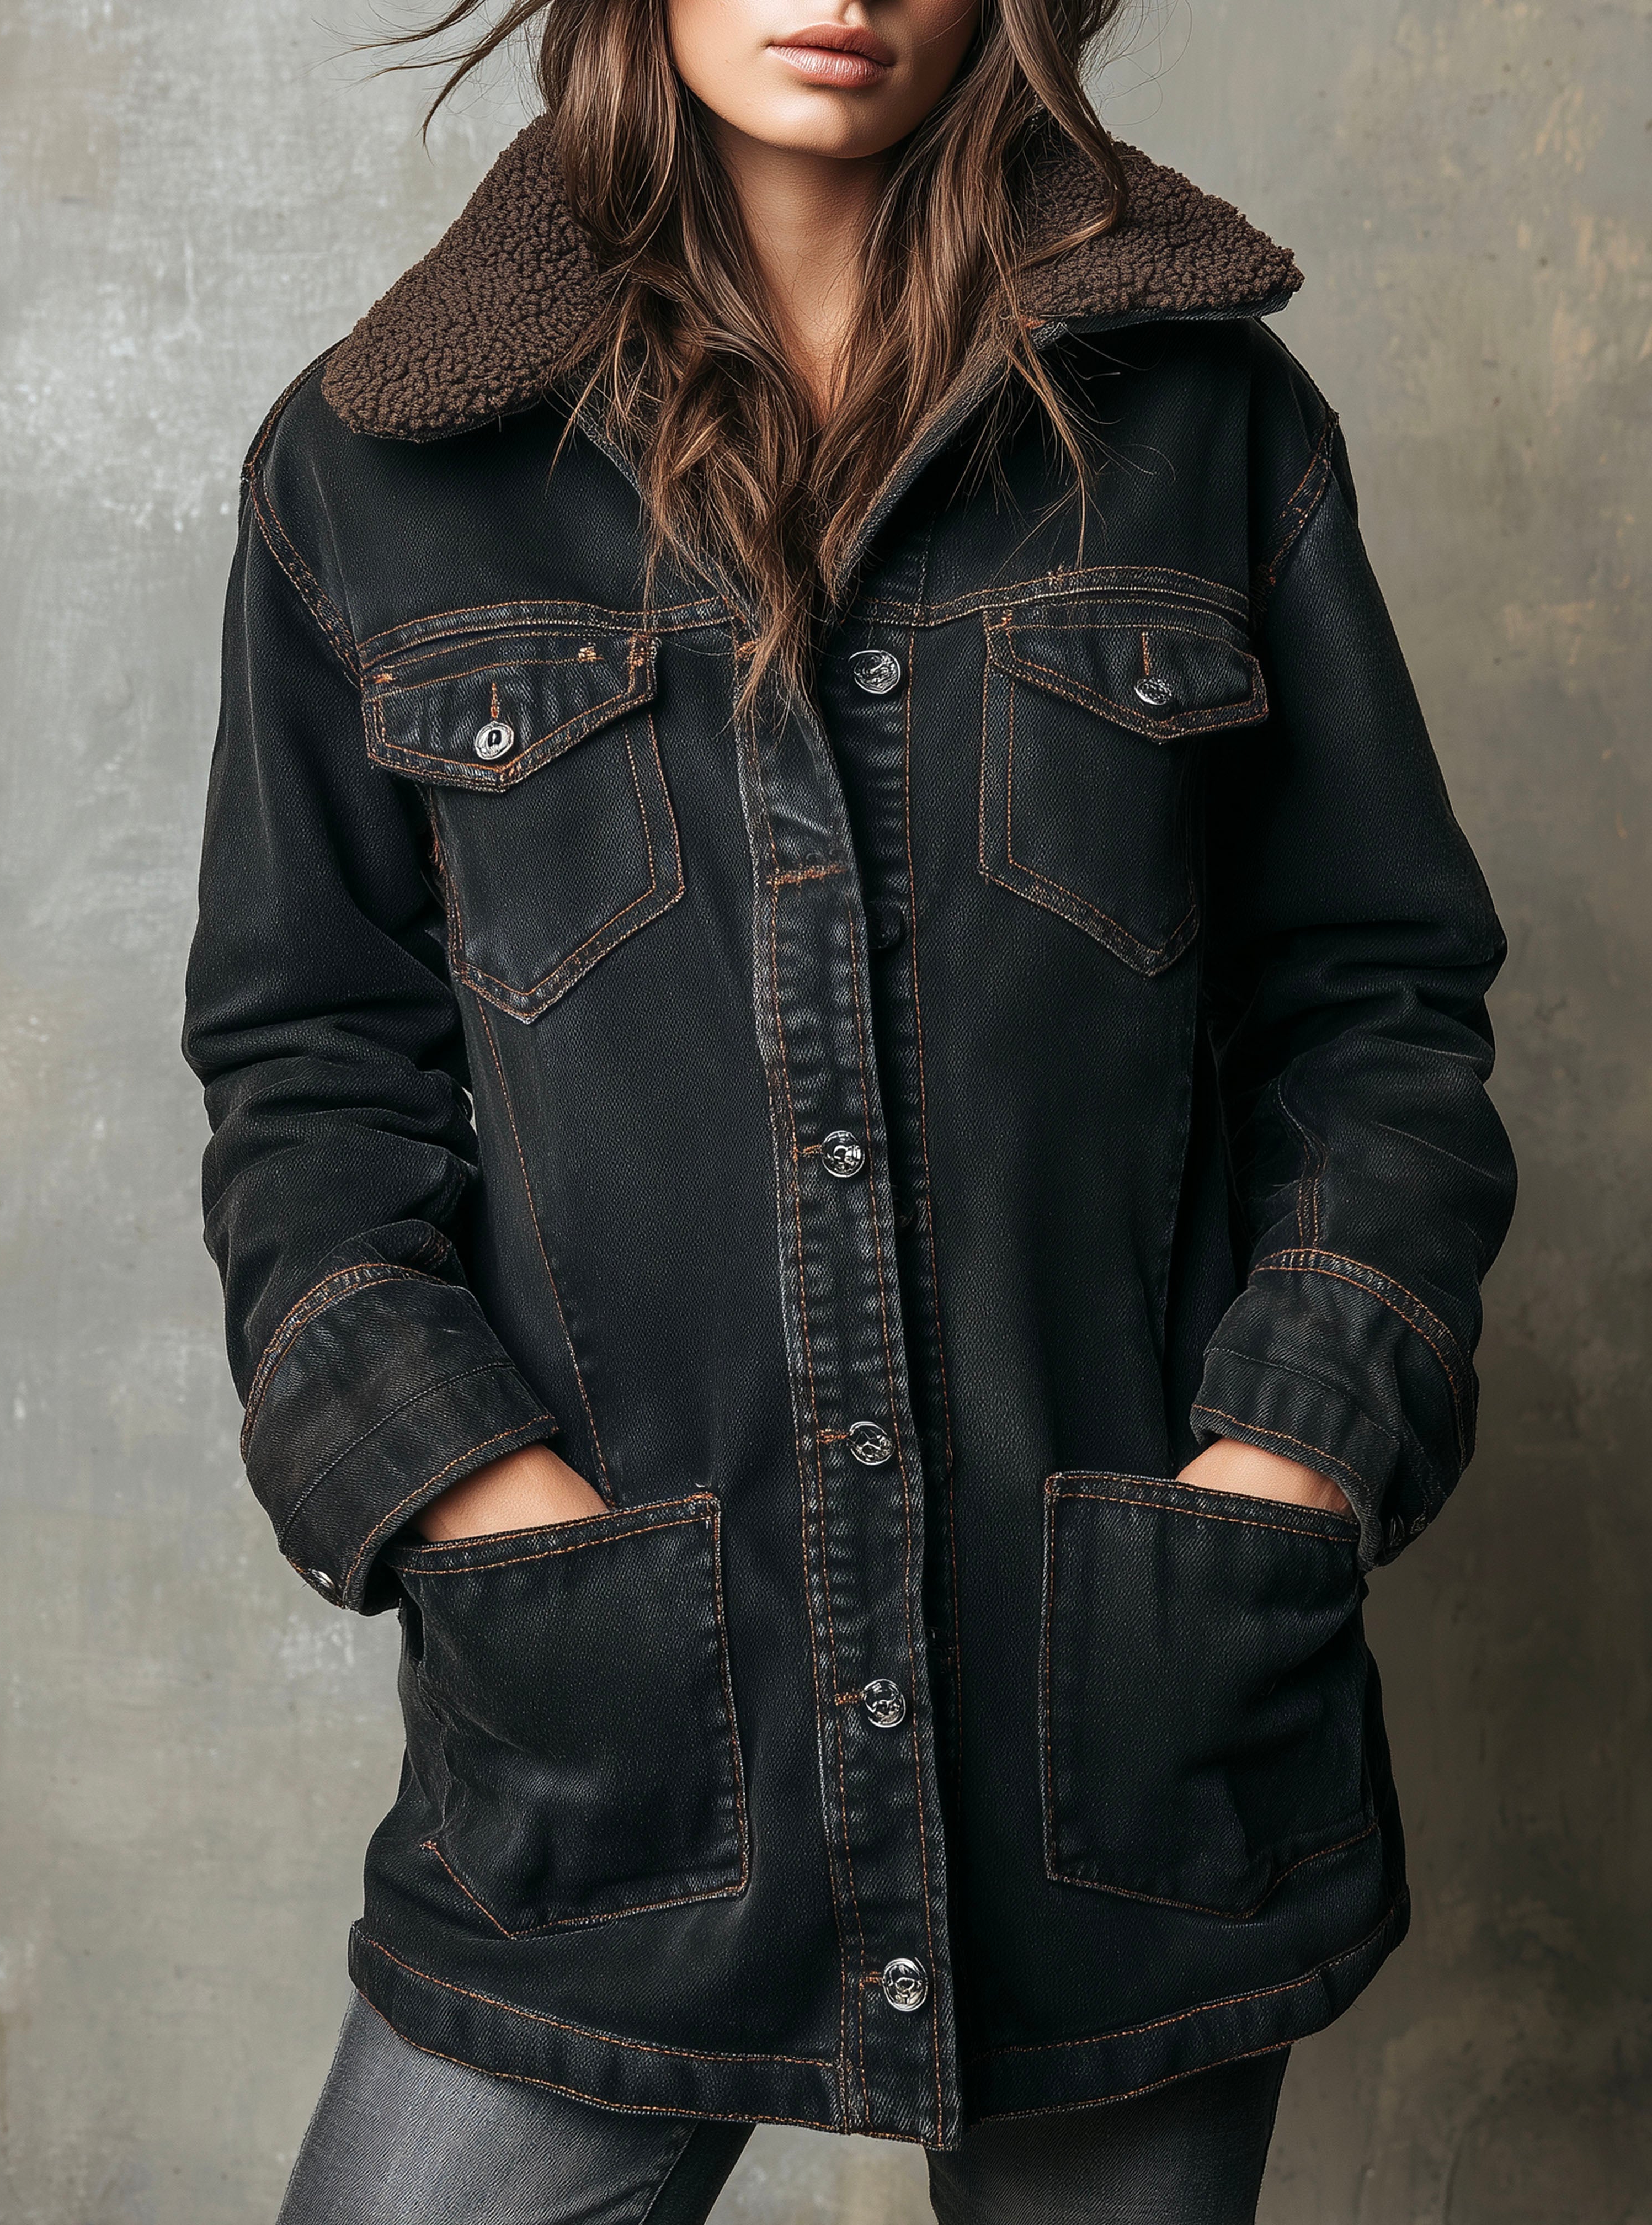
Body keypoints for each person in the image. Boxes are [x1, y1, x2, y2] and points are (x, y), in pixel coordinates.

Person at [182, 0, 1518, 2215]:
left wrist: (1296, 1450)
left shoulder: (1207, 423)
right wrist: (466, 1494)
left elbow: (1375, 1005)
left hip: (1120, 1731)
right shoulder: (375, 466)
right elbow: (309, 1069)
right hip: (619, 1743)